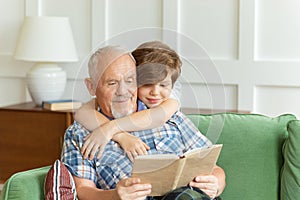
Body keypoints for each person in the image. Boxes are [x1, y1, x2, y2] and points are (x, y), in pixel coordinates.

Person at [61, 44, 226, 200]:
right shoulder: (80, 134)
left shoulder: (169, 115)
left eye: (130, 81)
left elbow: (214, 168)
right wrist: (114, 197)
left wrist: (216, 184)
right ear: (91, 87)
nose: (123, 91)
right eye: (112, 83)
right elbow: (83, 190)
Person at [74, 41, 181, 162]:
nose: (155, 92)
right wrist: (121, 136)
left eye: (163, 85)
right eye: (147, 84)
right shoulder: (126, 98)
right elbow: (82, 113)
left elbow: (159, 116)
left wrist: (109, 129)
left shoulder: (169, 104)